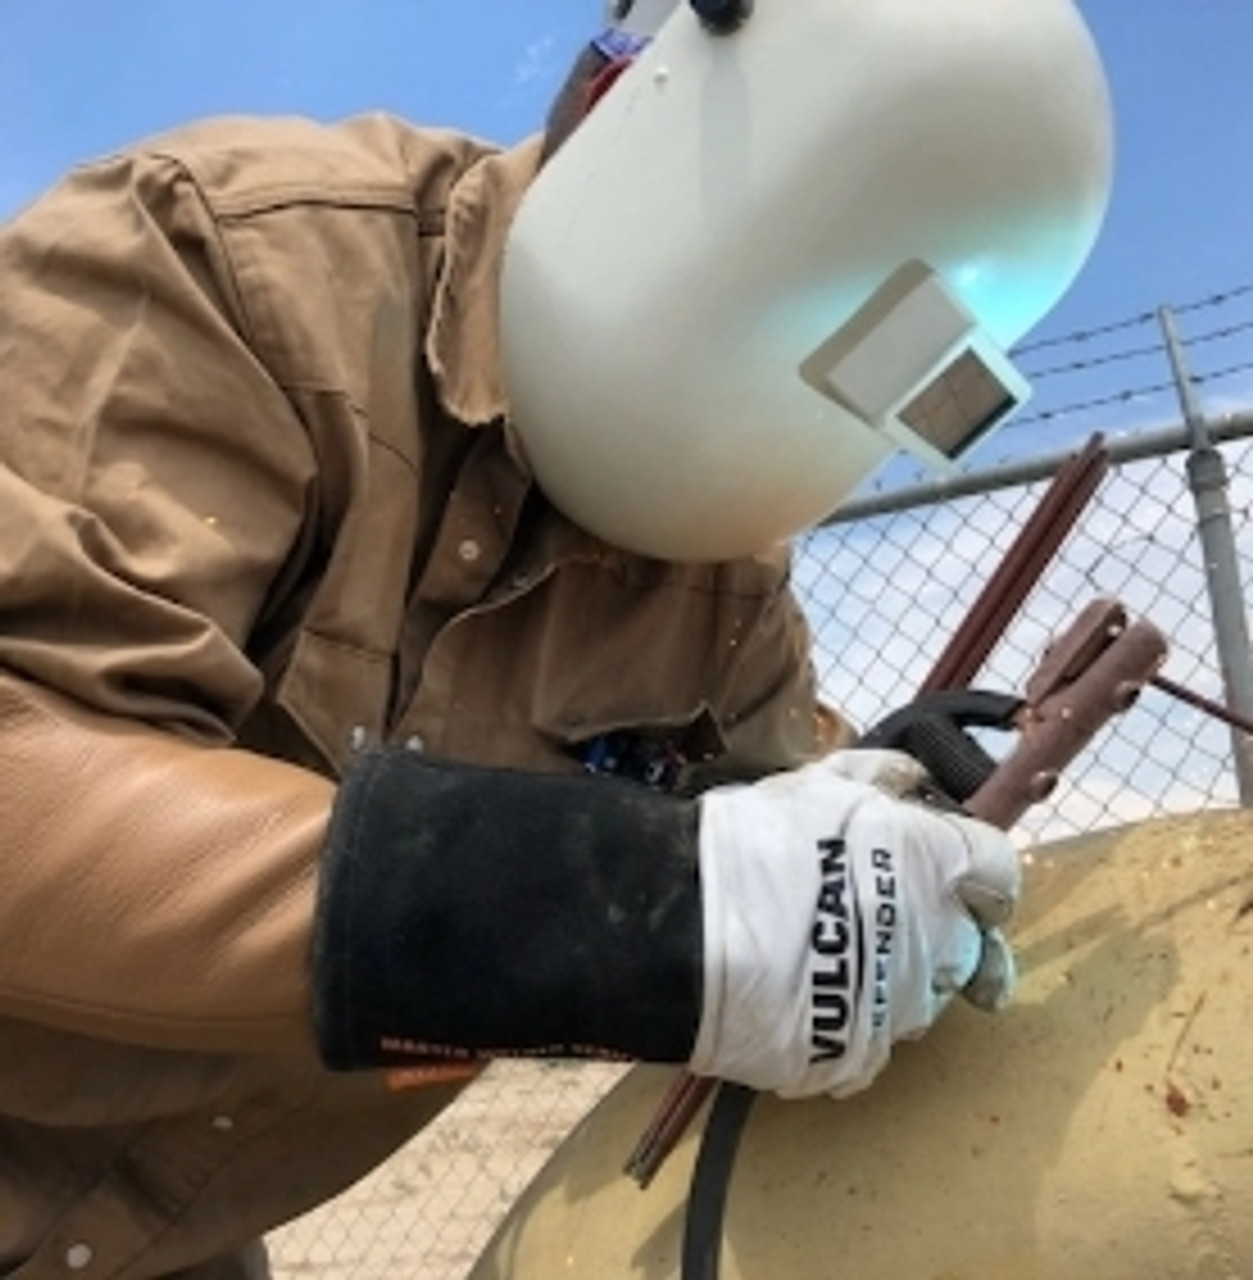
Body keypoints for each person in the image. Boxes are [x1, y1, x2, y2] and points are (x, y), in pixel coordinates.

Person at [0, 1, 1111, 1276]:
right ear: (621, 92)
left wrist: (857, 808)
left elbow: (759, 813)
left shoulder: (722, 590)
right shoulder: (234, 270)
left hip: (172, 1236)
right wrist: (634, 911)